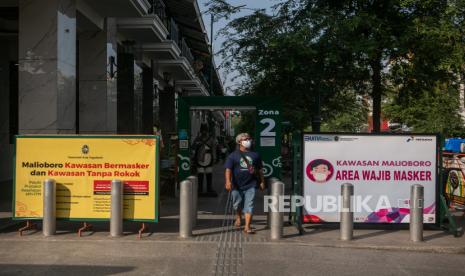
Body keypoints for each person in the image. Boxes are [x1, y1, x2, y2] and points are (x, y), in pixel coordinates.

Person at [224, 133, 265, 234]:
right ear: (239, 142)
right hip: (236, 185)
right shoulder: (233, 155)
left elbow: (260, 170)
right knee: (237, 204)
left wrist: (262, 182)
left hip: (251, 184)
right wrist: (228, 182)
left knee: (249, 205)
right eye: (245, 139)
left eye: (249, 138)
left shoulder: (255, 155)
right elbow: (228, 170)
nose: (248, 140)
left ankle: (247, 226)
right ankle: (238, 217)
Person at [192, 124, 217, 196]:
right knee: (201, 173)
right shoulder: (198, 139)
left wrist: (214, 157)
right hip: (200, 157)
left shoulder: (210, 139)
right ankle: (201, 189)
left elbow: (213, 149)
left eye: (205, 130)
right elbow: (194, 147)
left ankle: (208, 188)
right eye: (203, 130)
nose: (204, 132)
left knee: (208, 172)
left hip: (207, 157)